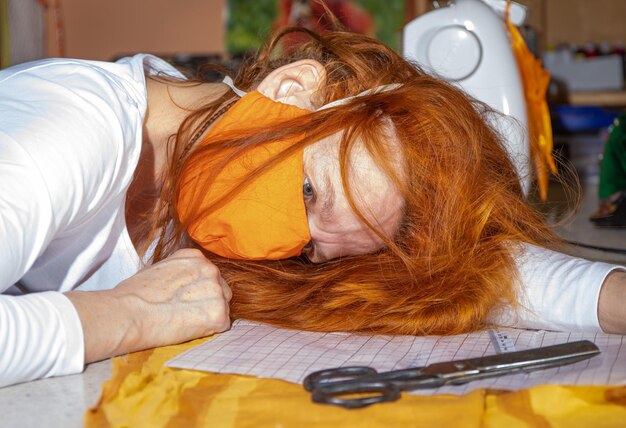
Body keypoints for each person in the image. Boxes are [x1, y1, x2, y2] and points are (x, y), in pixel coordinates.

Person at [1, 26, 624, 389]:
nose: (275, 249)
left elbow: (449, 279)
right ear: (293, 90)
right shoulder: (65, 134)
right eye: (309, 193)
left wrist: (607, 292)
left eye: (311, 250)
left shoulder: (217, 154)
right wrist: (121, 318)